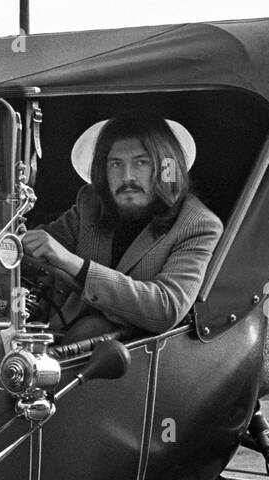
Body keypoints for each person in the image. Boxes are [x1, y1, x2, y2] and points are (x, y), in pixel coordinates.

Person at [21, 113, 223, 341]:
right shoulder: (91, 205)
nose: (127, 176)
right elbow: (37, 248)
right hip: (54, 337)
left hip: (133, 359)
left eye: (141, 162)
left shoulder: (198, 225)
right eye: (116, 164)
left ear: (167, 167)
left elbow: (166, 308)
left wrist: (74, 264)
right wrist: (5, 245)